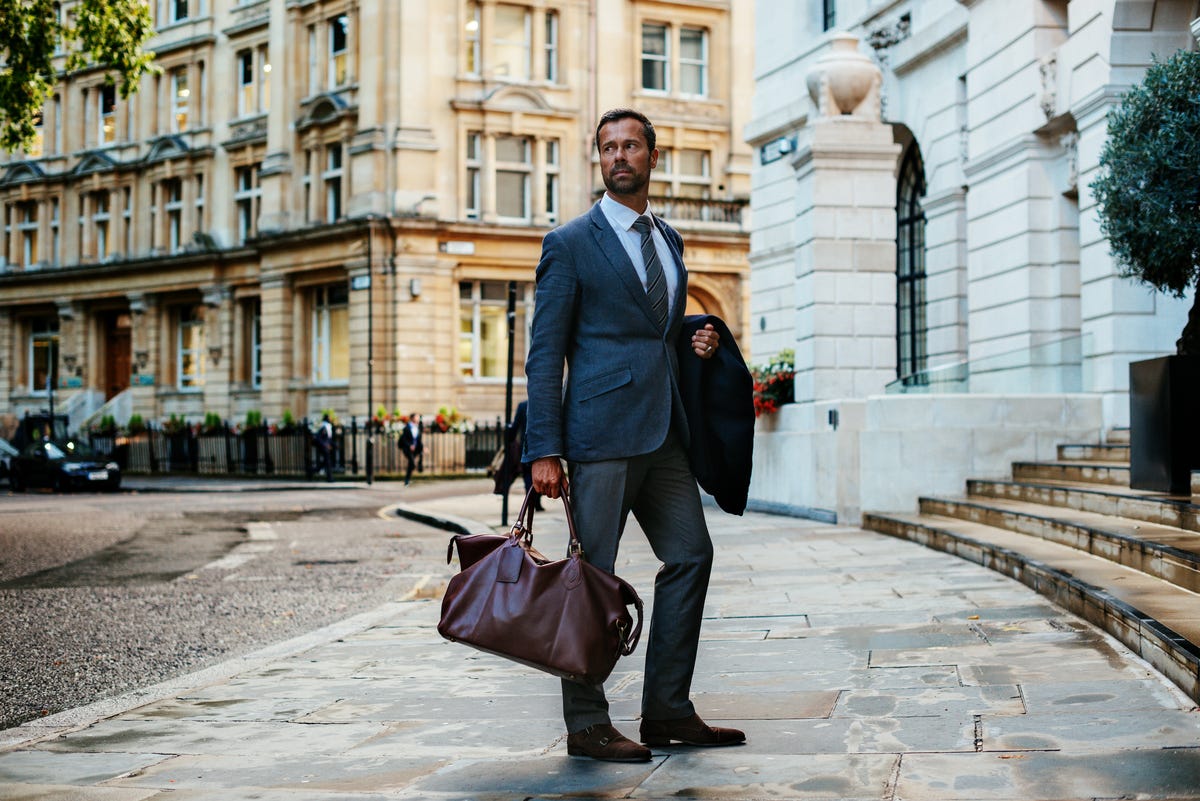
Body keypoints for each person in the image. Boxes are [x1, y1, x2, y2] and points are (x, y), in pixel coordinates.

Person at [524, 108, 745, 763]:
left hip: (665, 432)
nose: (619, 155)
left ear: (652, 155)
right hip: (599, 434)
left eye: (630, 145)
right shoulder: (569, 243)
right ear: (600, 160)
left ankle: (668, 709)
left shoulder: (669, 239)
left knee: (691, 556)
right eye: (607, 147)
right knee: (593, 578)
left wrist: (695, 338)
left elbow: (656, 330)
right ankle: (587, 720)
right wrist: (543, 446)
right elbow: (545, 350)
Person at [494, 400, 542, 509]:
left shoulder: (523, 405)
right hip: (541, 444)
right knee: (538, 471)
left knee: (528, 475)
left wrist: (509, 434)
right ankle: (537, 503)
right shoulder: (543, 403)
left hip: (527, 446)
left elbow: (515, 427)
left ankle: (531, 501)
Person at [398, 413, 423, 485]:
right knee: (412, 463)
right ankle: (417, 469)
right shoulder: (407, 428)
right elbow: (403, 439)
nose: (418, 419)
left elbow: (418, 440)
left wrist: (423, 447)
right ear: (412, 418)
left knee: (410, 464)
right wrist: (410, 446)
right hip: (407, 449)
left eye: (418, 417)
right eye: (417, 417)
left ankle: (407, 480)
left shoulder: (418, 427)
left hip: (415, 449)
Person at [314, 413, 335, 482]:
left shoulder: (327, 426)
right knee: (327, 462)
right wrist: (326, 445)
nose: (330, 419)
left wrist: (333, 445)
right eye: (329, 417)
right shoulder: (323, 426)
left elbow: (328, 438)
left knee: (325, 462)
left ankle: (314, 470)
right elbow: (319, 438)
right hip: (324, 448)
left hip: (326, 447)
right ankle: (330, 478)